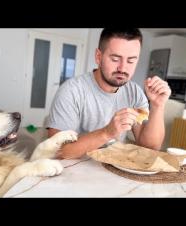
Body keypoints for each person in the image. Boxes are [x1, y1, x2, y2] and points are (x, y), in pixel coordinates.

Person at [45, 28, 171, 159]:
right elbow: (58, 152)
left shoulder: (135, 93)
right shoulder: (71, 91)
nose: (122, 68)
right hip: (72, 172)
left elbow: (150, 148)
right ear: (98, 57)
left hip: (113, 171)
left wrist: (157, 106)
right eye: (115, 59)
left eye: (131, 61)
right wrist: (106, 133)